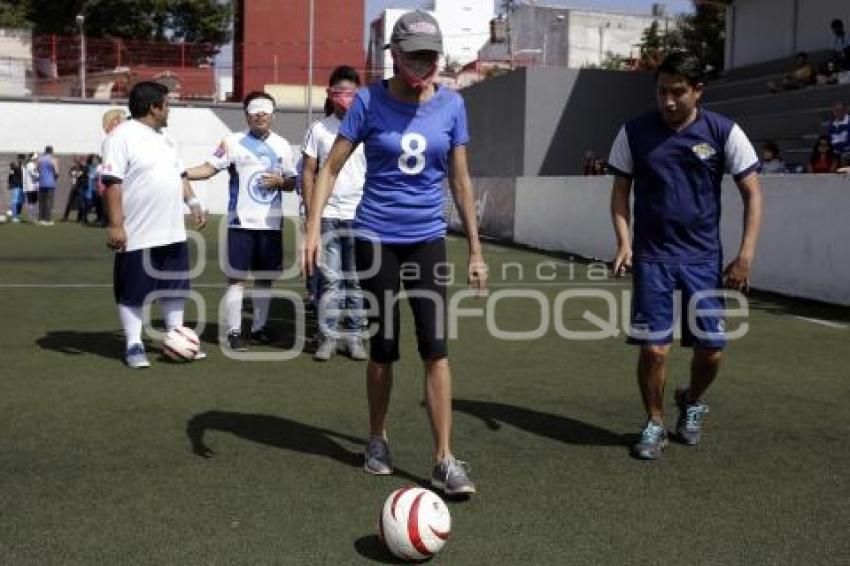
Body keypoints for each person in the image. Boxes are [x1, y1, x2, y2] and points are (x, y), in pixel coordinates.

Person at [304, 10, 487, 495]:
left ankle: (444, 459)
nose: (424, 64)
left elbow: (461, 179)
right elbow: (330, 167)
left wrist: (474, 248)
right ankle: (377, 437)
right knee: (384, 347)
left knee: (436, 348)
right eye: (414, 55)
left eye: (430, 56)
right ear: (394, 55)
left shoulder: (452, 105)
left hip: (427, 239)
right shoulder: (367, 101)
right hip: (375, 239)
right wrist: (311, 230)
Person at [608, 51, 763, 460]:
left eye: (678, 92)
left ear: (698, 90)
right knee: (654, 349)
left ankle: (691, 400)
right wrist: (624, 242)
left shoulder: (724, 132)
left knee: (711, 350)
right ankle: (654, 423)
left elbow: (753, 194)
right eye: (662, 92)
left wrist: (745, 254)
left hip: (703, 260)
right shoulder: (634, 132)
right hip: (652, 258)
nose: (669, 101)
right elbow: (621, 193)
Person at [100, 81, 208, 368]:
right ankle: (134, 345)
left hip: (172, 230)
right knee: (133, 291)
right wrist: (115, 225)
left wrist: (193, 203)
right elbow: (112, 183)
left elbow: (180, 174)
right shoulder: (120, 137)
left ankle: (177, 337)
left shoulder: (166, 139)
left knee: (175, 288)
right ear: (154, 107)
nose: (169, 110)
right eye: (167, 104)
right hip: (137, 232)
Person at [185, 91, 297, 351]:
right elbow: (208, 168)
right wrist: (180, 172)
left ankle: (259, 328)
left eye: (265, 110)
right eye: (254, 110)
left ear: (273, 114)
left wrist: (282, 182)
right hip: (240, 223)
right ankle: (234, 331)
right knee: (236, 279)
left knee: (266, 278)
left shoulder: (282, 145)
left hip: (271, 224)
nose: (260, 114)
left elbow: (293, 182)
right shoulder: (232, 142)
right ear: (246, 114)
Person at [302, 65, 368, 362]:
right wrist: (310, 213)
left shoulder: (368, 128)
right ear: (330, 95)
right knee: (330, 280)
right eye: (340, 92)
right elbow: (308, 173)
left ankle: (354, 338)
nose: (346, 98)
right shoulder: (318, 129)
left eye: (352, 93)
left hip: (360, 215)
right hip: (327, 215)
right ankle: (327, 338)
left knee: (355, 279)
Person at [36, 145, 59, 225]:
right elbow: (57, 172)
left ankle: (41, 218)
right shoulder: (53, 160)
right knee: (49, 201)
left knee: (42, 201)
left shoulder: (40, 159)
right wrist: (54, 179)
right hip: (50, 183)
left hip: (42, 182)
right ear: (52, 151)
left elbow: (38, 170)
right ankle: (47, 219)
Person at [22, 152, 39, 222]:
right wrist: (40, 175)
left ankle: (31, 218)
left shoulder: (28, 165)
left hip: (30, 186)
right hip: (32, 186)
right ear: (34, 158)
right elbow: (34, 174)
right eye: (36, 157)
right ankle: (32, 218)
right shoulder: (31, 165)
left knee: (31, 202)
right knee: (33, 202)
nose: (37, 159)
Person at [7, 154, 24, 223]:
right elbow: (10, 175)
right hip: (15, 185)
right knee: (15, 201)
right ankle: (14, 217)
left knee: (19, 201)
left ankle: (16, 216)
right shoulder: (14, 166)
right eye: (19, 159)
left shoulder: (23, 167)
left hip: (21, 186)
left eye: (22, 159)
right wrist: (9, 183)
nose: (20, 160)